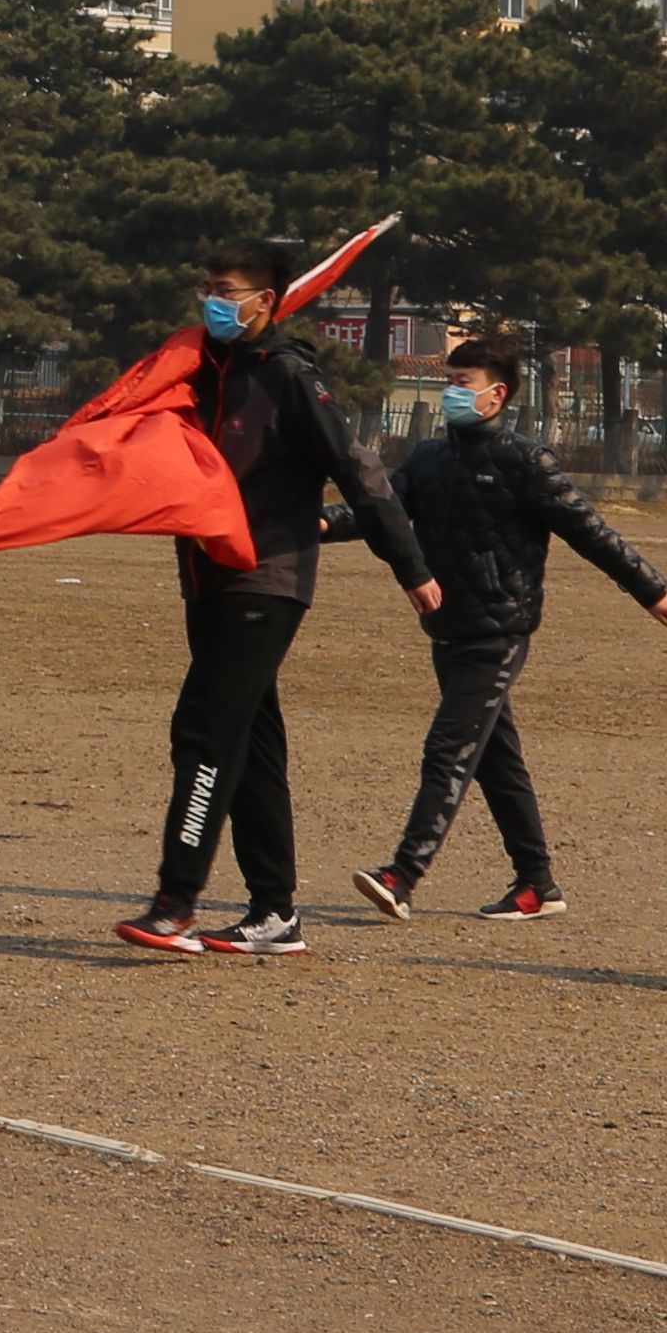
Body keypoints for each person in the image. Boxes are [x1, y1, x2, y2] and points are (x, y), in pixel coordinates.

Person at [116, 240, 438, 961]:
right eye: (207, 289)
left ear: (265, 301)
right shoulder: (206, 370)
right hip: (206, 577)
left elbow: (357, 472)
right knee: (251, 744)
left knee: (203, 730)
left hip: (266, 580)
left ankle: (175, 903)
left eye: (226, 290)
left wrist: (409, 565)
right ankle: (275, 913)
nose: (213, 301)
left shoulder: (289, 376)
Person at [333, 336, 667, 926]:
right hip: (447, 626)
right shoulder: (429, 458)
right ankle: (537, 884)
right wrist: (314, 523)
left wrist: (649, 587)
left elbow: (588, 529)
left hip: (499, 630)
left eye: (462, 383)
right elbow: (380, 510)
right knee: (496, 759)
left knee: (449, 748)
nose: (451, 392)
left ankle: (403, 874)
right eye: (449, 381)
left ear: (497, 395)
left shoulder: (525, 461)